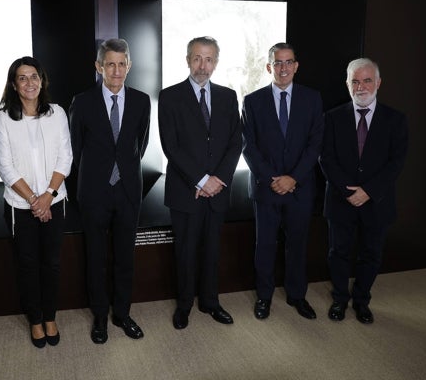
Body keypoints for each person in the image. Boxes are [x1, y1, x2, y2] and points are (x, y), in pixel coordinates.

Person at [69, 38, 151, 344]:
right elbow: (77, 150)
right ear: (99, 66)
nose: (116, 70)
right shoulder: (82, 101)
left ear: (129, 66)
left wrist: (122, 173)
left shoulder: (142, 101)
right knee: (96, 258)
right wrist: (100, 176)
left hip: (129, 191)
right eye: (110, 64)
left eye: (122, 64)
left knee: (125, 258)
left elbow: (138, 146)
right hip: (94, 192)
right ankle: (100, 318)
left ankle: (122, 314)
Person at [158, 36, 242, 330]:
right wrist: (202, 179)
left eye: (208, 59)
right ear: (187, 60)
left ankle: (210, 302)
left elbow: (236, 142)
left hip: (218, 191)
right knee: (185, 252)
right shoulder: (169, 96)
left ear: (216, 62)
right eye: (196, 58)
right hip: (186, 192)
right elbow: (171, 146)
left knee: (212, 251)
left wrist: (218, 180)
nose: (202, 65)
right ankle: (184, 306)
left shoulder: (228, 96)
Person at [320, 58, 408, 324]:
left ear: (378, 82)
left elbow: (397, 162)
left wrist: (368, 191)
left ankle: (361, 301)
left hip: (377, 201)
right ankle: (339, 300)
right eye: (355, 81)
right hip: (340, 199)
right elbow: (326, 158)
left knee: (371, 254)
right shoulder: (332, 118)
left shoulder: (395, 120)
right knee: (339, 253)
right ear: (347, 84)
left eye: (367, 80)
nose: (361, 86)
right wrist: (349, 192)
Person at [241, 42, 324, 321]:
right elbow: (248, 146)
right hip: (267, 188)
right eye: (278, 63)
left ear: (296, 66)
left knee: (297, 245)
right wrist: (272, 179)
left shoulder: (312, 99)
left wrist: (293, 178)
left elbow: (315, 145)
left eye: (289, 62)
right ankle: (263, 297)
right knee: (264, 245)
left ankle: (297, 295)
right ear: (269, 67)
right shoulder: (252, 101)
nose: (284, 67)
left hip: (300, 188)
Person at [0, 56, 72, 348]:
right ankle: (36, 320)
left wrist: (48, 196)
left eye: (34, 76)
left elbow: (66, 156)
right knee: (28, 265)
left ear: (43, 80)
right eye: (22, 78)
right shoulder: (4, 119)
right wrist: (34, 201)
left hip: (55, 201)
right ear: (14, 85)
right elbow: (5, 166)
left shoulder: (58, 113)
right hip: (19, 207)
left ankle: (50, 316)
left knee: (51, 263)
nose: (30, 83)